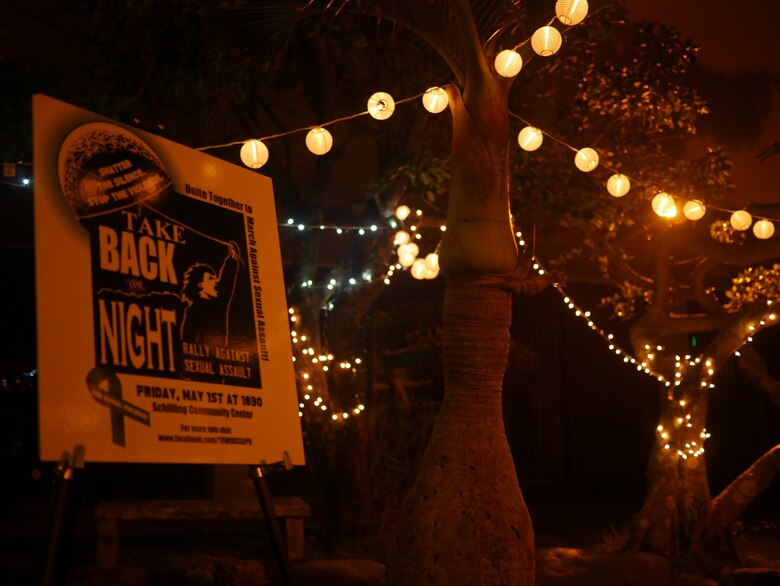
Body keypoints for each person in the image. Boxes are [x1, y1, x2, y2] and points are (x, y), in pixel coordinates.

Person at [180, 241, 240, 347]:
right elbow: (188, 340)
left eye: (215, 277)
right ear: (200, 285)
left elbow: (227, 282)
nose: (216, 280)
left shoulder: (219, 303)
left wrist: (232, 258)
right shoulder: (193, 311)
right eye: (210, 278)